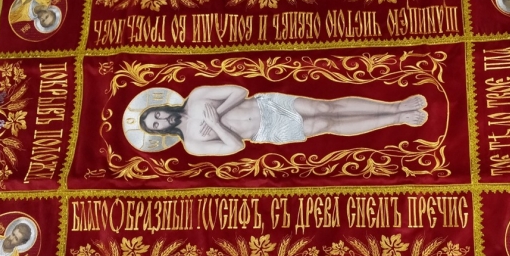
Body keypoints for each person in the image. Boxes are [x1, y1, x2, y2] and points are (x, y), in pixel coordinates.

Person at [138, 85, 427, 156]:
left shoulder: (197, 96)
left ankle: (395, 106)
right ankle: (397, 119)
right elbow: (235, 147)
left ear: (161, 107)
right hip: (268, 129)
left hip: (267, 104)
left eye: (156, 114)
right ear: (160, 132)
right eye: (156, 125)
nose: (161, 119)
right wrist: (214, 125)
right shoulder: (192, 144)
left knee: (325, 107)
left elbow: (239, 91)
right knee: (327, 124)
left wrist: (219, 113)